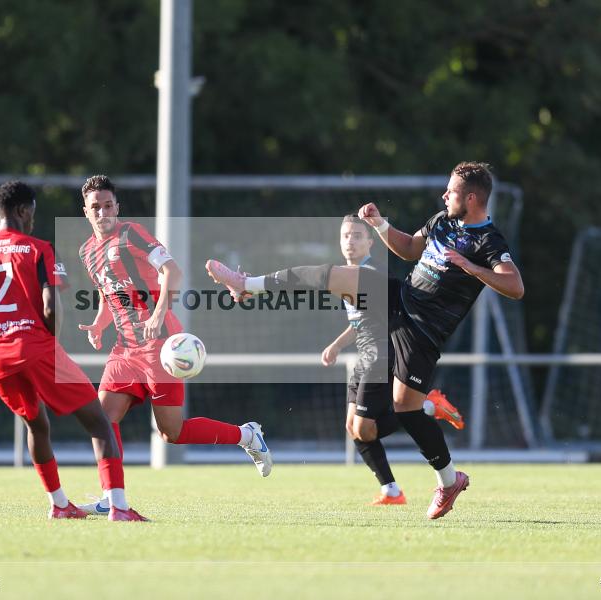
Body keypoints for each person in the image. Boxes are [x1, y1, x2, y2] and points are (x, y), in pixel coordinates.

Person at [207, 161, 521, 519]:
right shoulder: (442, 219)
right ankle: (247, 285)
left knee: (406, 409)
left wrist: (471, 267)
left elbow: (515, 286)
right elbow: (409, 249)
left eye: (451, 191)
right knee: (336, 276)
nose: (445, 195)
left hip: (423, 333)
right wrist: (381, 225)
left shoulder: (488, 241)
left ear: (473, 197)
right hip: (399, 299)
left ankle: (449, 480)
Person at [75, 175, 272, 514]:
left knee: (172, 432)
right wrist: (99, 322)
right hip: (124, 350)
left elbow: (172, 272)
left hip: (160, 345)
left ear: (117, 207)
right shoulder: (86, 252)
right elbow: (109, 293)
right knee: (103, 419)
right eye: (96, 207)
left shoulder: (131, 233)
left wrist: (158, 313)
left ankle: (246, 435)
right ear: (86, 212)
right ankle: (113, 498)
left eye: (108, 205)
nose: (103, 212)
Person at [0, 180, 146, 521]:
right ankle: (119, 508)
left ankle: (59, 504)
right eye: (31, 211)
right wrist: (50, 342)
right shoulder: (38, 248)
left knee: (36, 426)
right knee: (101, 423)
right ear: (23, 210)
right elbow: (50, 308)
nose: (32, 218)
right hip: (35, 347)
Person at [324, 215, 464, 506]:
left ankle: (427, 406)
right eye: (345, 236)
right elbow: (360, 323)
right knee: (354, 427)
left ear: (370, 243)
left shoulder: (372, 273)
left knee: (365, 427)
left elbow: (390, 316)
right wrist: (337, 345)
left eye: (357, 236)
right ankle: (391, 490)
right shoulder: (349, 274)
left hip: (383, 354)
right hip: (364, 356)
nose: (350, 241)